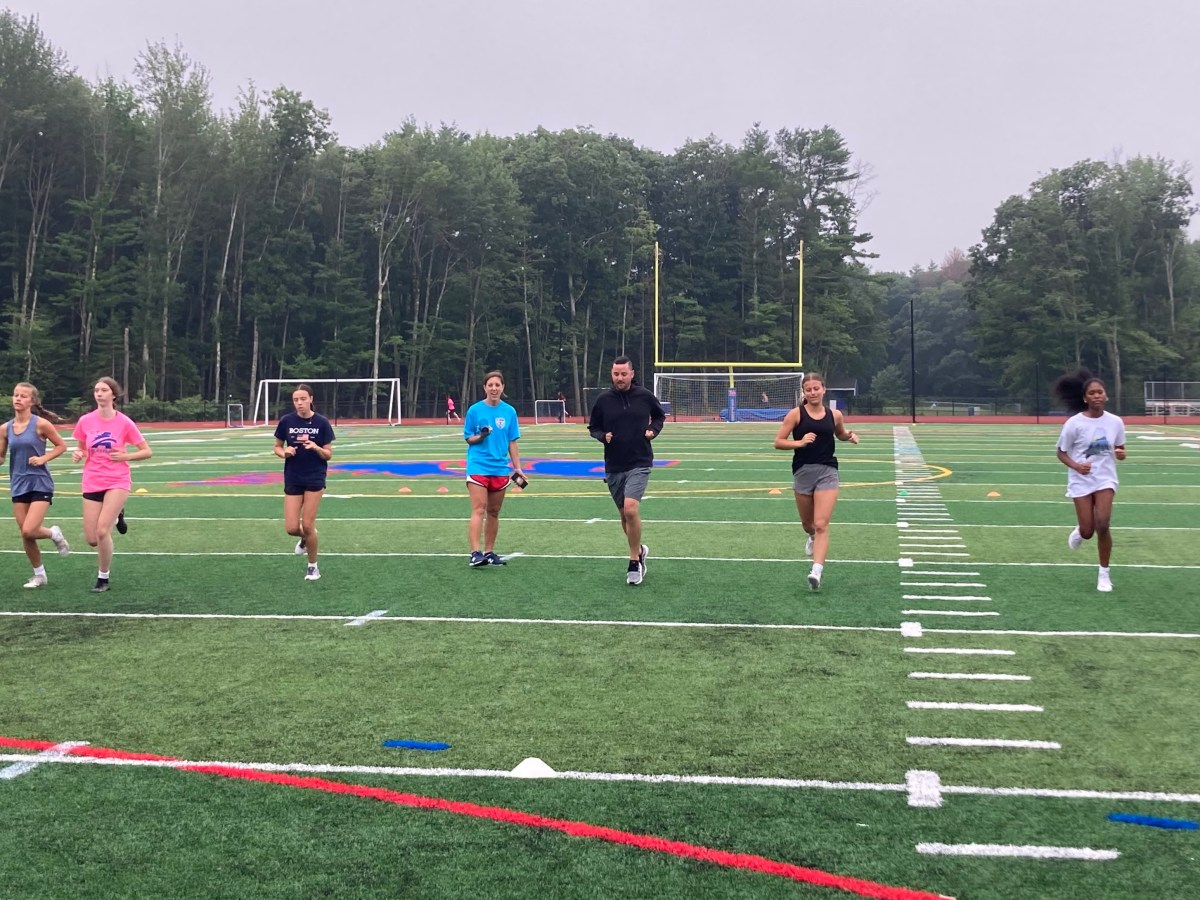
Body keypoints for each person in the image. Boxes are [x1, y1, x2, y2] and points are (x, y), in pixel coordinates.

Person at [773, 372, 859, 592]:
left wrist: (849, 436)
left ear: (824, 389)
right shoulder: (796, 414)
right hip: (803, 472)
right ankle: (810, 536)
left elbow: (839, 434)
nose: (813, 392)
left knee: (821, 524)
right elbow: (779, 442)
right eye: (808, 389)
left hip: (828, 470)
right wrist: (799, 443)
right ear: (804, 392)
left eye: (816, 388)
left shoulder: (835, 414)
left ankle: (816, 571)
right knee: (808, 525)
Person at [587, 356, 665, 586]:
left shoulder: (644, 396)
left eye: (623, 374)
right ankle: (639, 550)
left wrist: (653, 429)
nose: (619, 378)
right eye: (615, 374)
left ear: (632, 374)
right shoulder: (603, 400)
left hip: (639, 461)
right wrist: (603, 436)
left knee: (631, 510)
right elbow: (594, 427)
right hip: (614, 465)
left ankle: (633, 562)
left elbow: (659, 416)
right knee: (624, 516)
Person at [71, 377, 152, 593]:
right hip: (92, 479)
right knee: (91, 539)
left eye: (104, 390)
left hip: (117, 479)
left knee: (101, 530)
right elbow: (82, 447)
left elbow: (147, 451)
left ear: (113, 395)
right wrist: (79, 453)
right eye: (96, 390)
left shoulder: (124, 422)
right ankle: (118, 515)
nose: (99, 393)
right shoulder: (85, 421)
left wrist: (125, 456)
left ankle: (103, 577)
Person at [1053, 369, 1126, 593]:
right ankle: (1081, 530)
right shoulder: (1074, 424)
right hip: (1080, 479)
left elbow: (1119, 447)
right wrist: (1076, 466)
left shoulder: (1115, 422)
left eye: (1100, 392)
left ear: (1106, 396)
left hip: (1105, 479)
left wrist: (1121, 453)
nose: (1096, 396)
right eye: (1092, 393)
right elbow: (1061, 452)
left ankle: (1104, 573)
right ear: (1085, 398)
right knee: (1088, 531)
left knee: (1103, 524)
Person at [2, 383, 71, 588]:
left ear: (32, 401)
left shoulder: (41, 424)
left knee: (29, 530)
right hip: (18, 483)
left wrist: (43, 458)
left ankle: (53, 533)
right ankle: (39, 575)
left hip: (40, 482)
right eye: (15, 395)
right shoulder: (5, 429)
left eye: (23, 396)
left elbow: (62, 445)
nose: (18, 399)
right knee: (26, 533)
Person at [274, 384, 335, 582]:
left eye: (302, 399)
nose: (299, 403)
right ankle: (306, 538)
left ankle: (312, 567)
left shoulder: (322, 423)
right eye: (295, 400)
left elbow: (328, 455)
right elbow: (277, 447)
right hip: (293, 476)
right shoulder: (286, 421)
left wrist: (316, 447)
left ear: (310, 399)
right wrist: (285, 452)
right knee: (292, 527)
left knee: (308, 524)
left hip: (315, 476)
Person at [463, 370, 524, 567]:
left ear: (503, 387)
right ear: (485, 388)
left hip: (499, 468)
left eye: (497, 385)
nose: (494, 388)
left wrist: (518, 468)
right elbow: (468, 438)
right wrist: (481, 436)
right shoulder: (475, 410)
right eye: (490, 385)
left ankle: (489, 552)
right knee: (479, 509)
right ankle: (475, 553)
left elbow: (512, 442)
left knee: (494, 512)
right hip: (479, 465)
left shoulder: (509, 412)